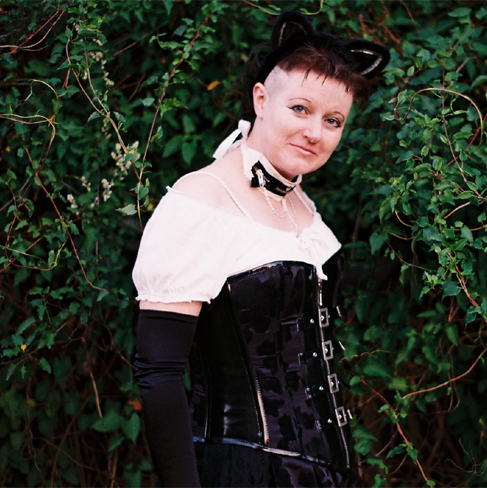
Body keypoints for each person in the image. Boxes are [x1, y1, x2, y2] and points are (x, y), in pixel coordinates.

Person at [132, 11, 389, 487]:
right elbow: (159, 372)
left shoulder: (301, 205)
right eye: (300, 109)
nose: (315, 132)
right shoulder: (200, 203)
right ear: (261, 100)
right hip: (241, 472)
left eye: (333, 120)